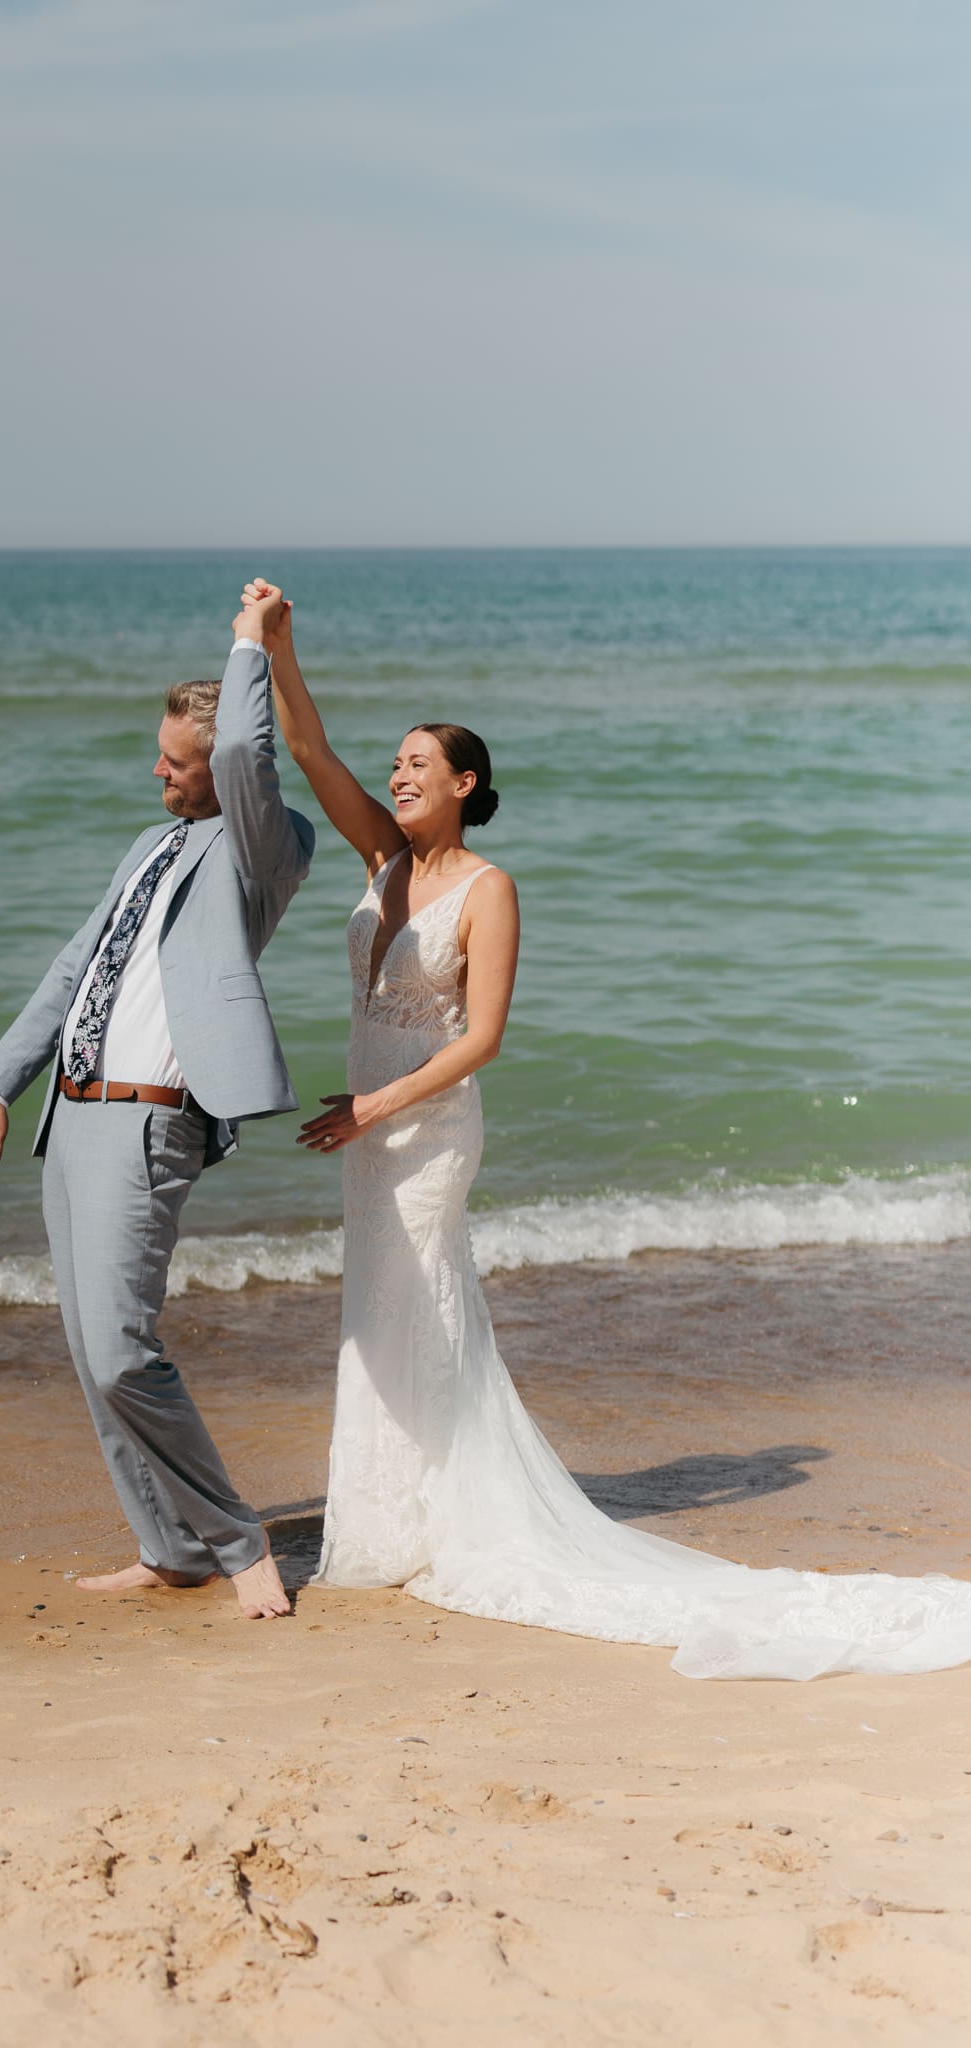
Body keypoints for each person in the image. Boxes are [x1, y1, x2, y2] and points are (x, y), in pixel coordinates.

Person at [253, 577, 971, 1679]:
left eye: (416, 762)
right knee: (375, 1310)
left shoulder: (489, 888)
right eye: (392, 761)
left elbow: (482, 1037)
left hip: (424, 1127)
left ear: (465, 781)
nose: (396, 773)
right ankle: (388, 1518)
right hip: (365, 1130)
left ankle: (442, 1516)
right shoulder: (382, 861)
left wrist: (377, 1108)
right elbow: (304, 747)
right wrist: (278, 645)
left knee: (420, 1304)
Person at [0, 587, 313, 1620]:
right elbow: (77, 966)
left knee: (124, 1347)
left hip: (152, 1119)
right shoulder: (147, 846)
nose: (155, 767)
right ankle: (170, 1546)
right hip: (72, 1115)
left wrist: (249, 644)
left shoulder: (265, 843)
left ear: (218, 762)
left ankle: (238, 1539)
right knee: (87, 1349)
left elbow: (255, 758)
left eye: (174, 755)